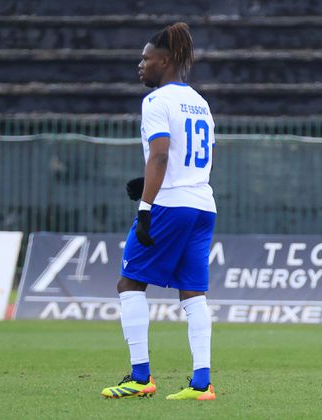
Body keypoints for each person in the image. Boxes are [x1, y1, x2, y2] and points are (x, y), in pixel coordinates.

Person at [101, 22, 217, 401]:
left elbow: (161, 154)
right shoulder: (199, 102)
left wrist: (146, 206)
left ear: (164, 61)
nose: (141, 65)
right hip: (202, 204)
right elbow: (189, 156)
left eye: (146, 59)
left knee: (129, 283)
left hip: (171, 205)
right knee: (193, 294)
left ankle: (140, 377)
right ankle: (201, 383)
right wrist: (150, 182)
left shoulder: (156, 101)